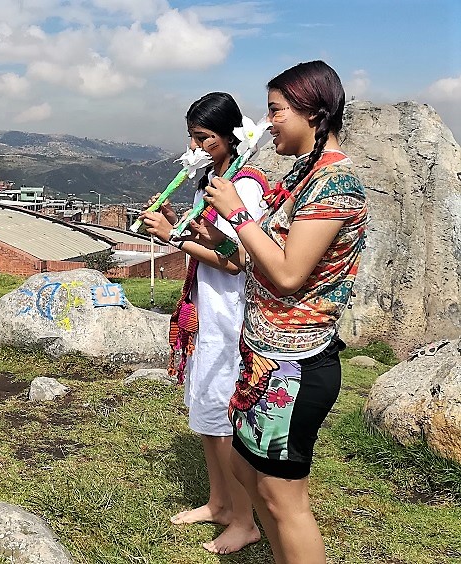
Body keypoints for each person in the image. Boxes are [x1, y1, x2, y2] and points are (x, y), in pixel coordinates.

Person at [200, 61, 368, 563]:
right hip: (264, 360)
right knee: (249, 474)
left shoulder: (336, 184)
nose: (267, 121)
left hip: (296, 367)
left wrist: (236, 213)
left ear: (313, 113)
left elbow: (292, 274)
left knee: (283, 498)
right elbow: (260, 257)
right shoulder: (303, 175)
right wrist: (213, 240)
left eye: (276, 110)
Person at [141, 92, 268, 555]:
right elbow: (208, 239)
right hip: (205, 312)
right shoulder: (209, 181)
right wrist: (178, 222)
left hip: (231, 314)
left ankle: (243, 519)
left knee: (222, 421)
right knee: (205, 417)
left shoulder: (244, 186)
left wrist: (171, 237)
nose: (195, 148)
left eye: (205, 138)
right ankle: (219, 503)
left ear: (232, 136)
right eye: (192, 138)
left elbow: (236, 260)